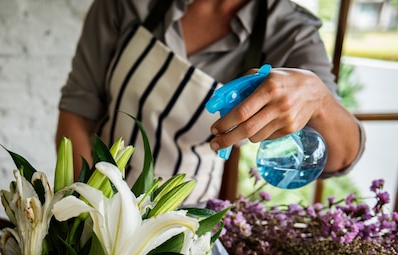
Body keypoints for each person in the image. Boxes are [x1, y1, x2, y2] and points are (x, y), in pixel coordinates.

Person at [55, 0, 365, 204]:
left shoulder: (290, 32)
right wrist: (93, 212)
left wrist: (318, 99)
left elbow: (343, 155)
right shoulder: (128, 5)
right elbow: (76, 115)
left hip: (185, 230)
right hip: (94, 202)